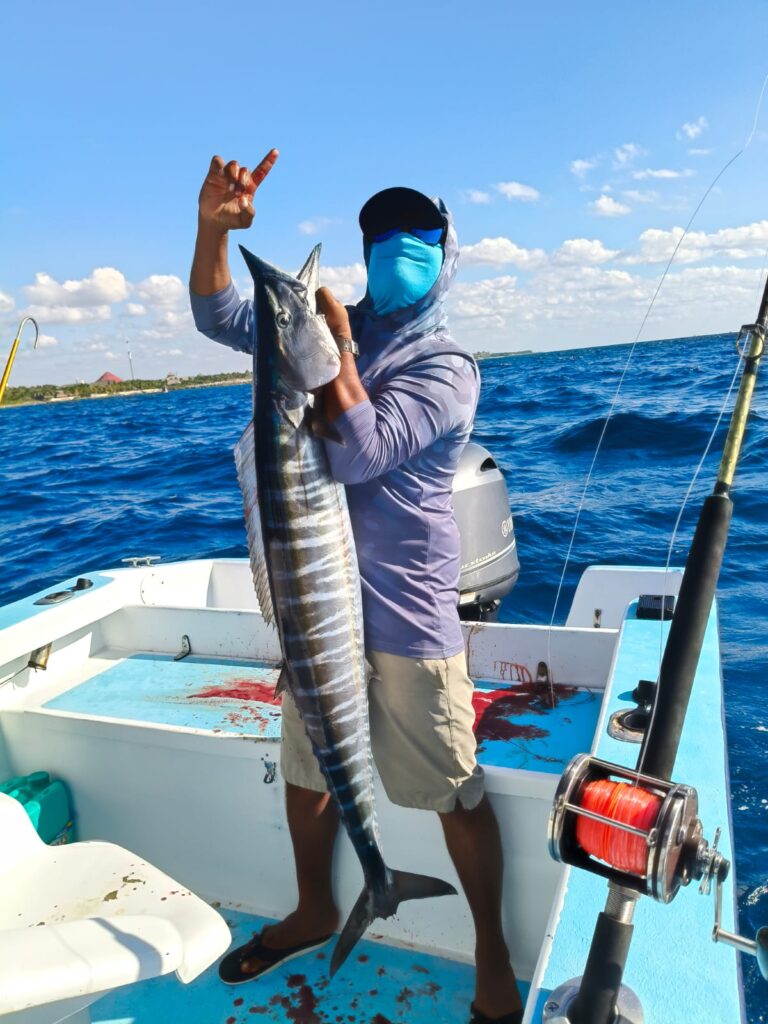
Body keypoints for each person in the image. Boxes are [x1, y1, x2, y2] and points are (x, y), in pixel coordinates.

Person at [189, 149, 524, 1024]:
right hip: (314, 606)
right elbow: (219, 312)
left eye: (419, 231)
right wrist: (212, 233)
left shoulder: (447, 365)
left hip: (409, 616)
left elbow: (364, 450)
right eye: (383, 229)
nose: (398, 242)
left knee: (452, 788)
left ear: (447, 249)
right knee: (308, 774)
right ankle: (314, 908)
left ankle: (492, 955)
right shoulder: (329, 327)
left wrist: (332, 344)